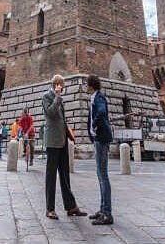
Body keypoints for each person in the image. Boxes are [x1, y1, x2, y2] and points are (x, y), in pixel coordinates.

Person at [42, 74, 87, 220]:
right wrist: (57, 96)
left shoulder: (57, 97)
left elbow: (61, 120)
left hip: (62, 141)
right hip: (53, 142)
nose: (64, 87)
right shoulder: (47, 96)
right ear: (57, 84)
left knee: (65, 174)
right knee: (51, 176)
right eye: (62, 85)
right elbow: (50, 113)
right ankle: (50, 208)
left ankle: (71, 206)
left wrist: (69, 134)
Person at [86, 74, 113, 225]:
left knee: (103, 175)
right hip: (98, 138)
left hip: (101, 138)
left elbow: (101, 112)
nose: (85, 86)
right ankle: (103, 209)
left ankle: (107, 213)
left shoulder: (99, 97)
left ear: (91, 86)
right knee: (100, 174)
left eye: (87, 84)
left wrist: (95, 125)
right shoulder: (94, 97)